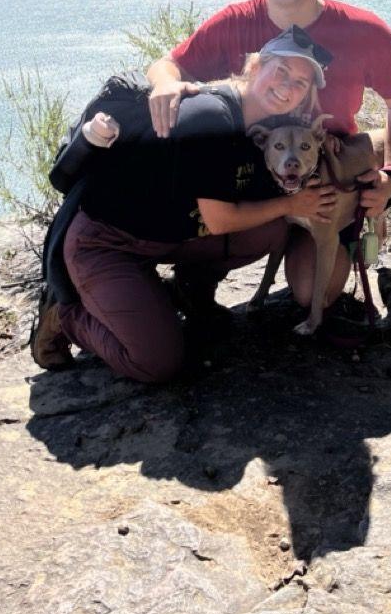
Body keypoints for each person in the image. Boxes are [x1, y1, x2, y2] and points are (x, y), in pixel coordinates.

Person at [145, 0, 391, 312]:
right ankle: (195, 276)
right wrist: (166, 84)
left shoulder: (363, 31)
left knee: (314, 295)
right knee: (203, 215)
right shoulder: (235, 23)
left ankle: (321, 237)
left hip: (327, 179)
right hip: (253, 179)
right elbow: (167, 64)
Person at [32, 28, 340, 382]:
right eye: (281, 72)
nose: (288, 87)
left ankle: (187, 291)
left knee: (268, 232)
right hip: (107, 243)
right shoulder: (212, 120)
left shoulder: (263, 124)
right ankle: (65, 315)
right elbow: (221, 220)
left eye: (301, 83)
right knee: (156, 362)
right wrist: (295, 204)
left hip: (170, 235)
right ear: (255, 68)